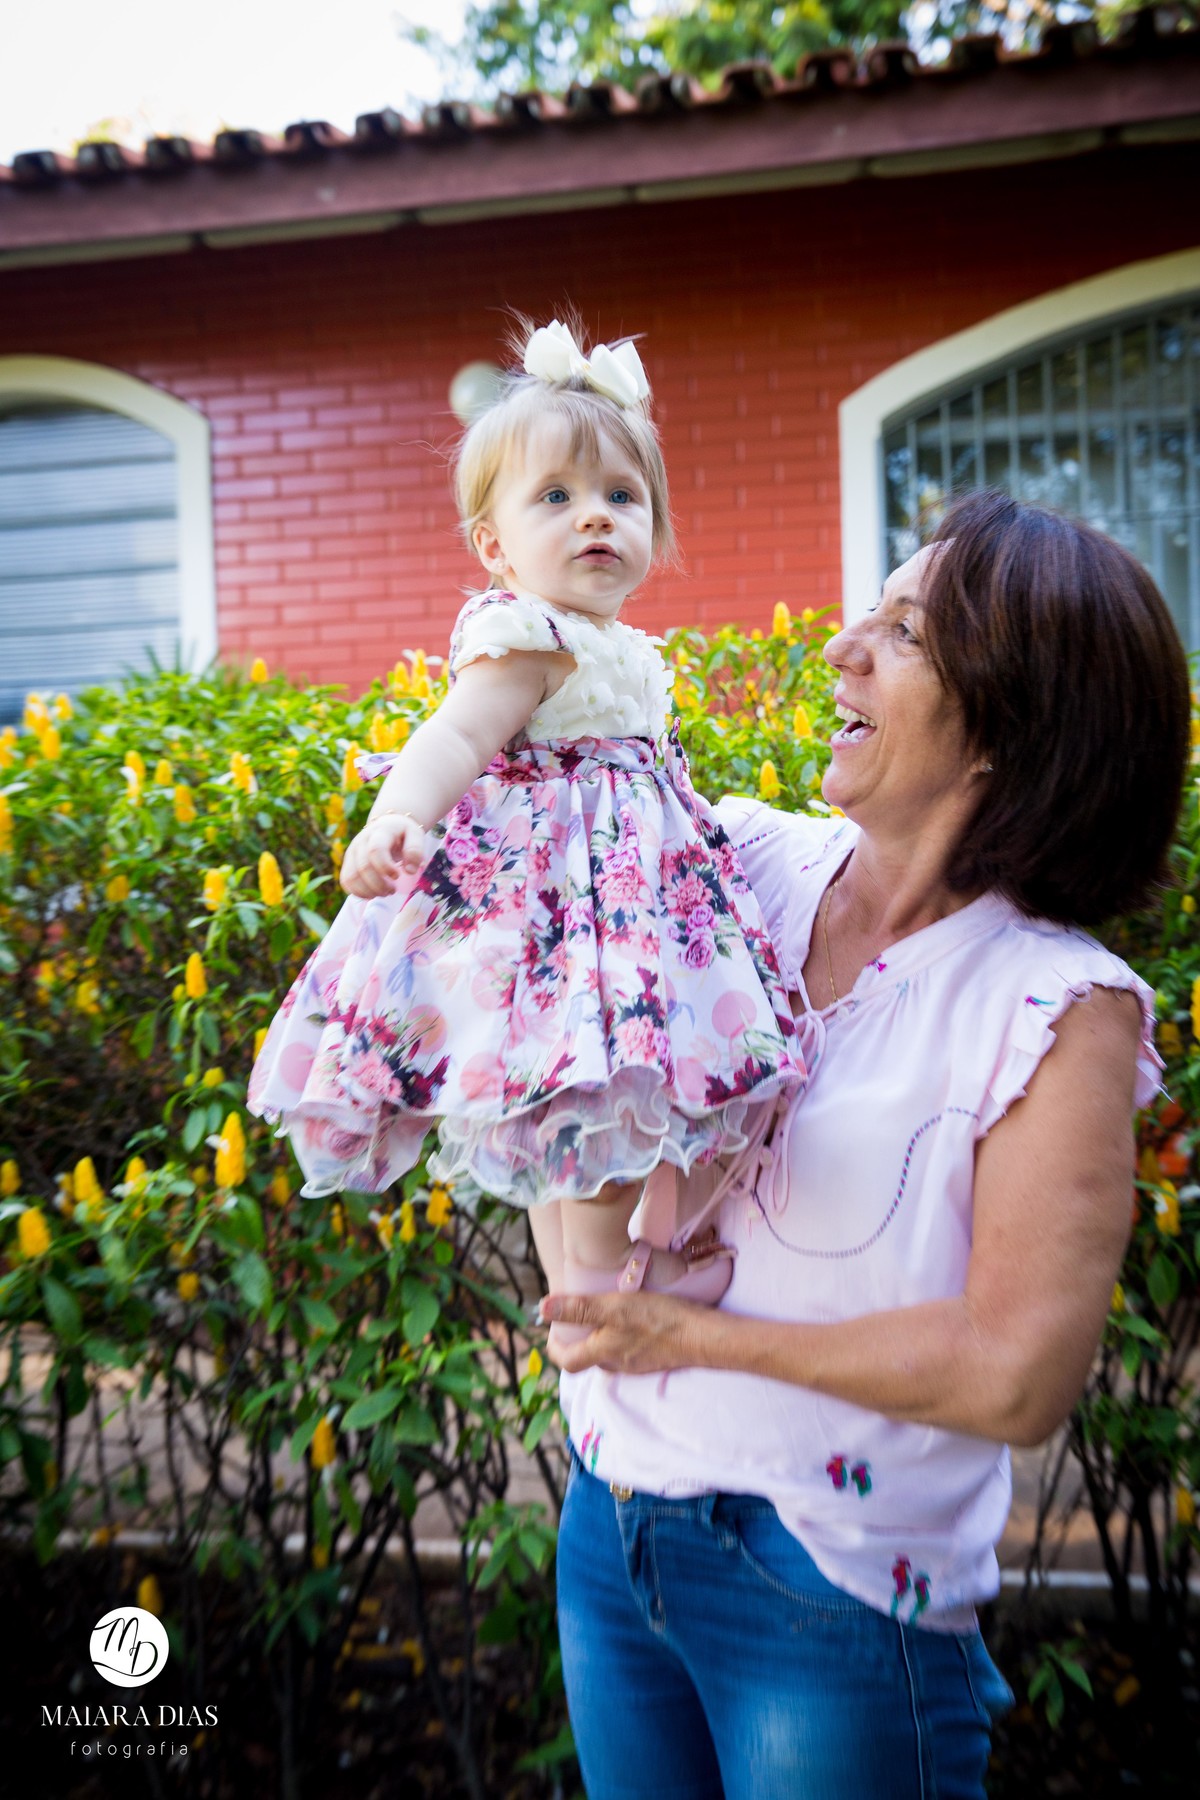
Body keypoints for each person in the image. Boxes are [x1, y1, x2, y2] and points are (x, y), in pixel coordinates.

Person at [538, 490, 1191, 1800]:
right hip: (615, 1531)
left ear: (1009, 726)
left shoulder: (1055, 1006)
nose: (842, 646)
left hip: (830, 1586)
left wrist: (692, 1338)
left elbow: (1012, 1375)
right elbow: (540, 938)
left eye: (901, 632)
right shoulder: (743, 862)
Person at [247, 317, 803, 1320]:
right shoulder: (529, 635)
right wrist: (396, 821)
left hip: (627, 909)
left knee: (573, 1101)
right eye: (557, 498)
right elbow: (454, 740)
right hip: (560, 921)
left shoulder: (618, 644)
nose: (595, 518)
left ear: (656, 532)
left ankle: (584, 1277)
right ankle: (612, 1275)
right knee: (591, 1089)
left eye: (621, 498)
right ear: (496, 547)